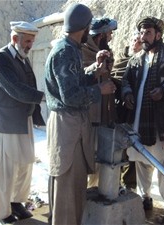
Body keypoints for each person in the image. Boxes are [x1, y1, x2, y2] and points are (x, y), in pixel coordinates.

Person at [44, 3, 116, 225]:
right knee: (67, 189)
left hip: (73, 125)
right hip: (67, 125)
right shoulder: (65, 51)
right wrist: (99, 90)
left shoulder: (71, 48)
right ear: (83, 28)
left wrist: (95, 70)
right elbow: (70, 96)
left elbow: (74, 80)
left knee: (75, 187)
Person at [121, 16, 164, 223]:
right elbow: (126, 81)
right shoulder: (136, 60)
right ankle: (145, 196)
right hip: (138, 121)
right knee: (141, 163)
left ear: (158, 34)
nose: (143, 36)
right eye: (141, 32)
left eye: (147, 32)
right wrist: (127, 93)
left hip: (160, 123)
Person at [0, 21, 45, 224]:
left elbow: (29, 84)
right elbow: (16, 89)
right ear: (14, 39)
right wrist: (44, 97)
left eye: (32, 41)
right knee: (4, 169)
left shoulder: (22, 58)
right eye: (28, 41)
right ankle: (1, 212)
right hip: (5, 124)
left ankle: (16, 202)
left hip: (23, 121)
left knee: (25, 164)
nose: (30, 45)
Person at [81, 17, 117, 188]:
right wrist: (96, 66)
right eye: (109, 34)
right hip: (88, 116)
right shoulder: (82, 52)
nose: (110, 37)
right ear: (100, 36)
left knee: (100, 157)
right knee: (86, 157)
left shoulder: (105, 52)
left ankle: (95, 190)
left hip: (104, 113)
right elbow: (80, 79)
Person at [111, 30, 142, 191]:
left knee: (131, 150)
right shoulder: (120, 60)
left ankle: (130, 184)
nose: (136, 44)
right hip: (115, 111)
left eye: (139, 41)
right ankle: (113, 183)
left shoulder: (141, 63)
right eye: (134, 40)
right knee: (116, 149)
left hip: (131, 111)